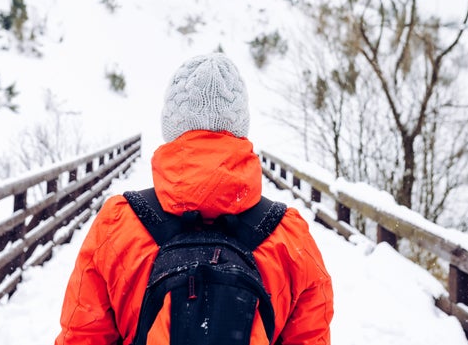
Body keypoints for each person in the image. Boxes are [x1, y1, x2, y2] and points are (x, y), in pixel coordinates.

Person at [55, 53, 334, 345]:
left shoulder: (116, 224)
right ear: (239, 127)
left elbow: (81, 336)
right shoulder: (290, 237)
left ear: (171, 126)